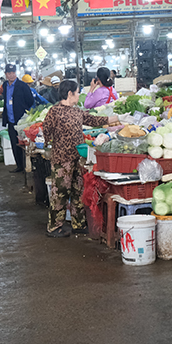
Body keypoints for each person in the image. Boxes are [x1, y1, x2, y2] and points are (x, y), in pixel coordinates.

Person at [42, 79, 119, 237]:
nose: (79, 96)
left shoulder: (77, 111)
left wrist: (114, 119)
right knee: (60, 192)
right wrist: (49, 143)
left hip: (77, 157)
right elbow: (46, 130)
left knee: (78, 191)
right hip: (61, 159)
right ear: (70, 93)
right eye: (77, 93)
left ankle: (79, 224)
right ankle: (54, 227)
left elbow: (92, 120)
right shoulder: (54, 111)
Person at [1, 64, 34, 173]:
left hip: (21, 121)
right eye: (9, 73)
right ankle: (19, 166)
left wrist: (22, 110)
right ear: (5, 74)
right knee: (14, 144)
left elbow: (30, 100)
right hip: (11, 120)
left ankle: (27, 166)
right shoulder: (5, 85)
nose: (11, 75)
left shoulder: (22, 85)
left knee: (23, 144)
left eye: (13, 73)